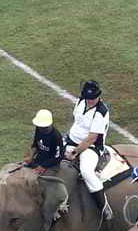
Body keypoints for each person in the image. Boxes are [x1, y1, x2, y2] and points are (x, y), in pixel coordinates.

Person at [64, 80, 111, 218]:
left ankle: (103, 206)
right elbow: (77, 123)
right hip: (71, 140)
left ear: (99, 96)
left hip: (90, 147)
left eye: (93, 98)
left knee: (86, 171)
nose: (90, 101)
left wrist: (75, 152)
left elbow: (92, 138)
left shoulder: (101, 112)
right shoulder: (80, 101)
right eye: (88, 98)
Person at [24, 109, 64, 173]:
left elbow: (58, 156)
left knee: (40, 180)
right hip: (40, 159)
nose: (40, 128)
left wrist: (44, 166)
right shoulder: (38, 129)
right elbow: (35, 144)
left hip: (51, 163)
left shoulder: (56, 136)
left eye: (42, 126)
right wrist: (31, 157)